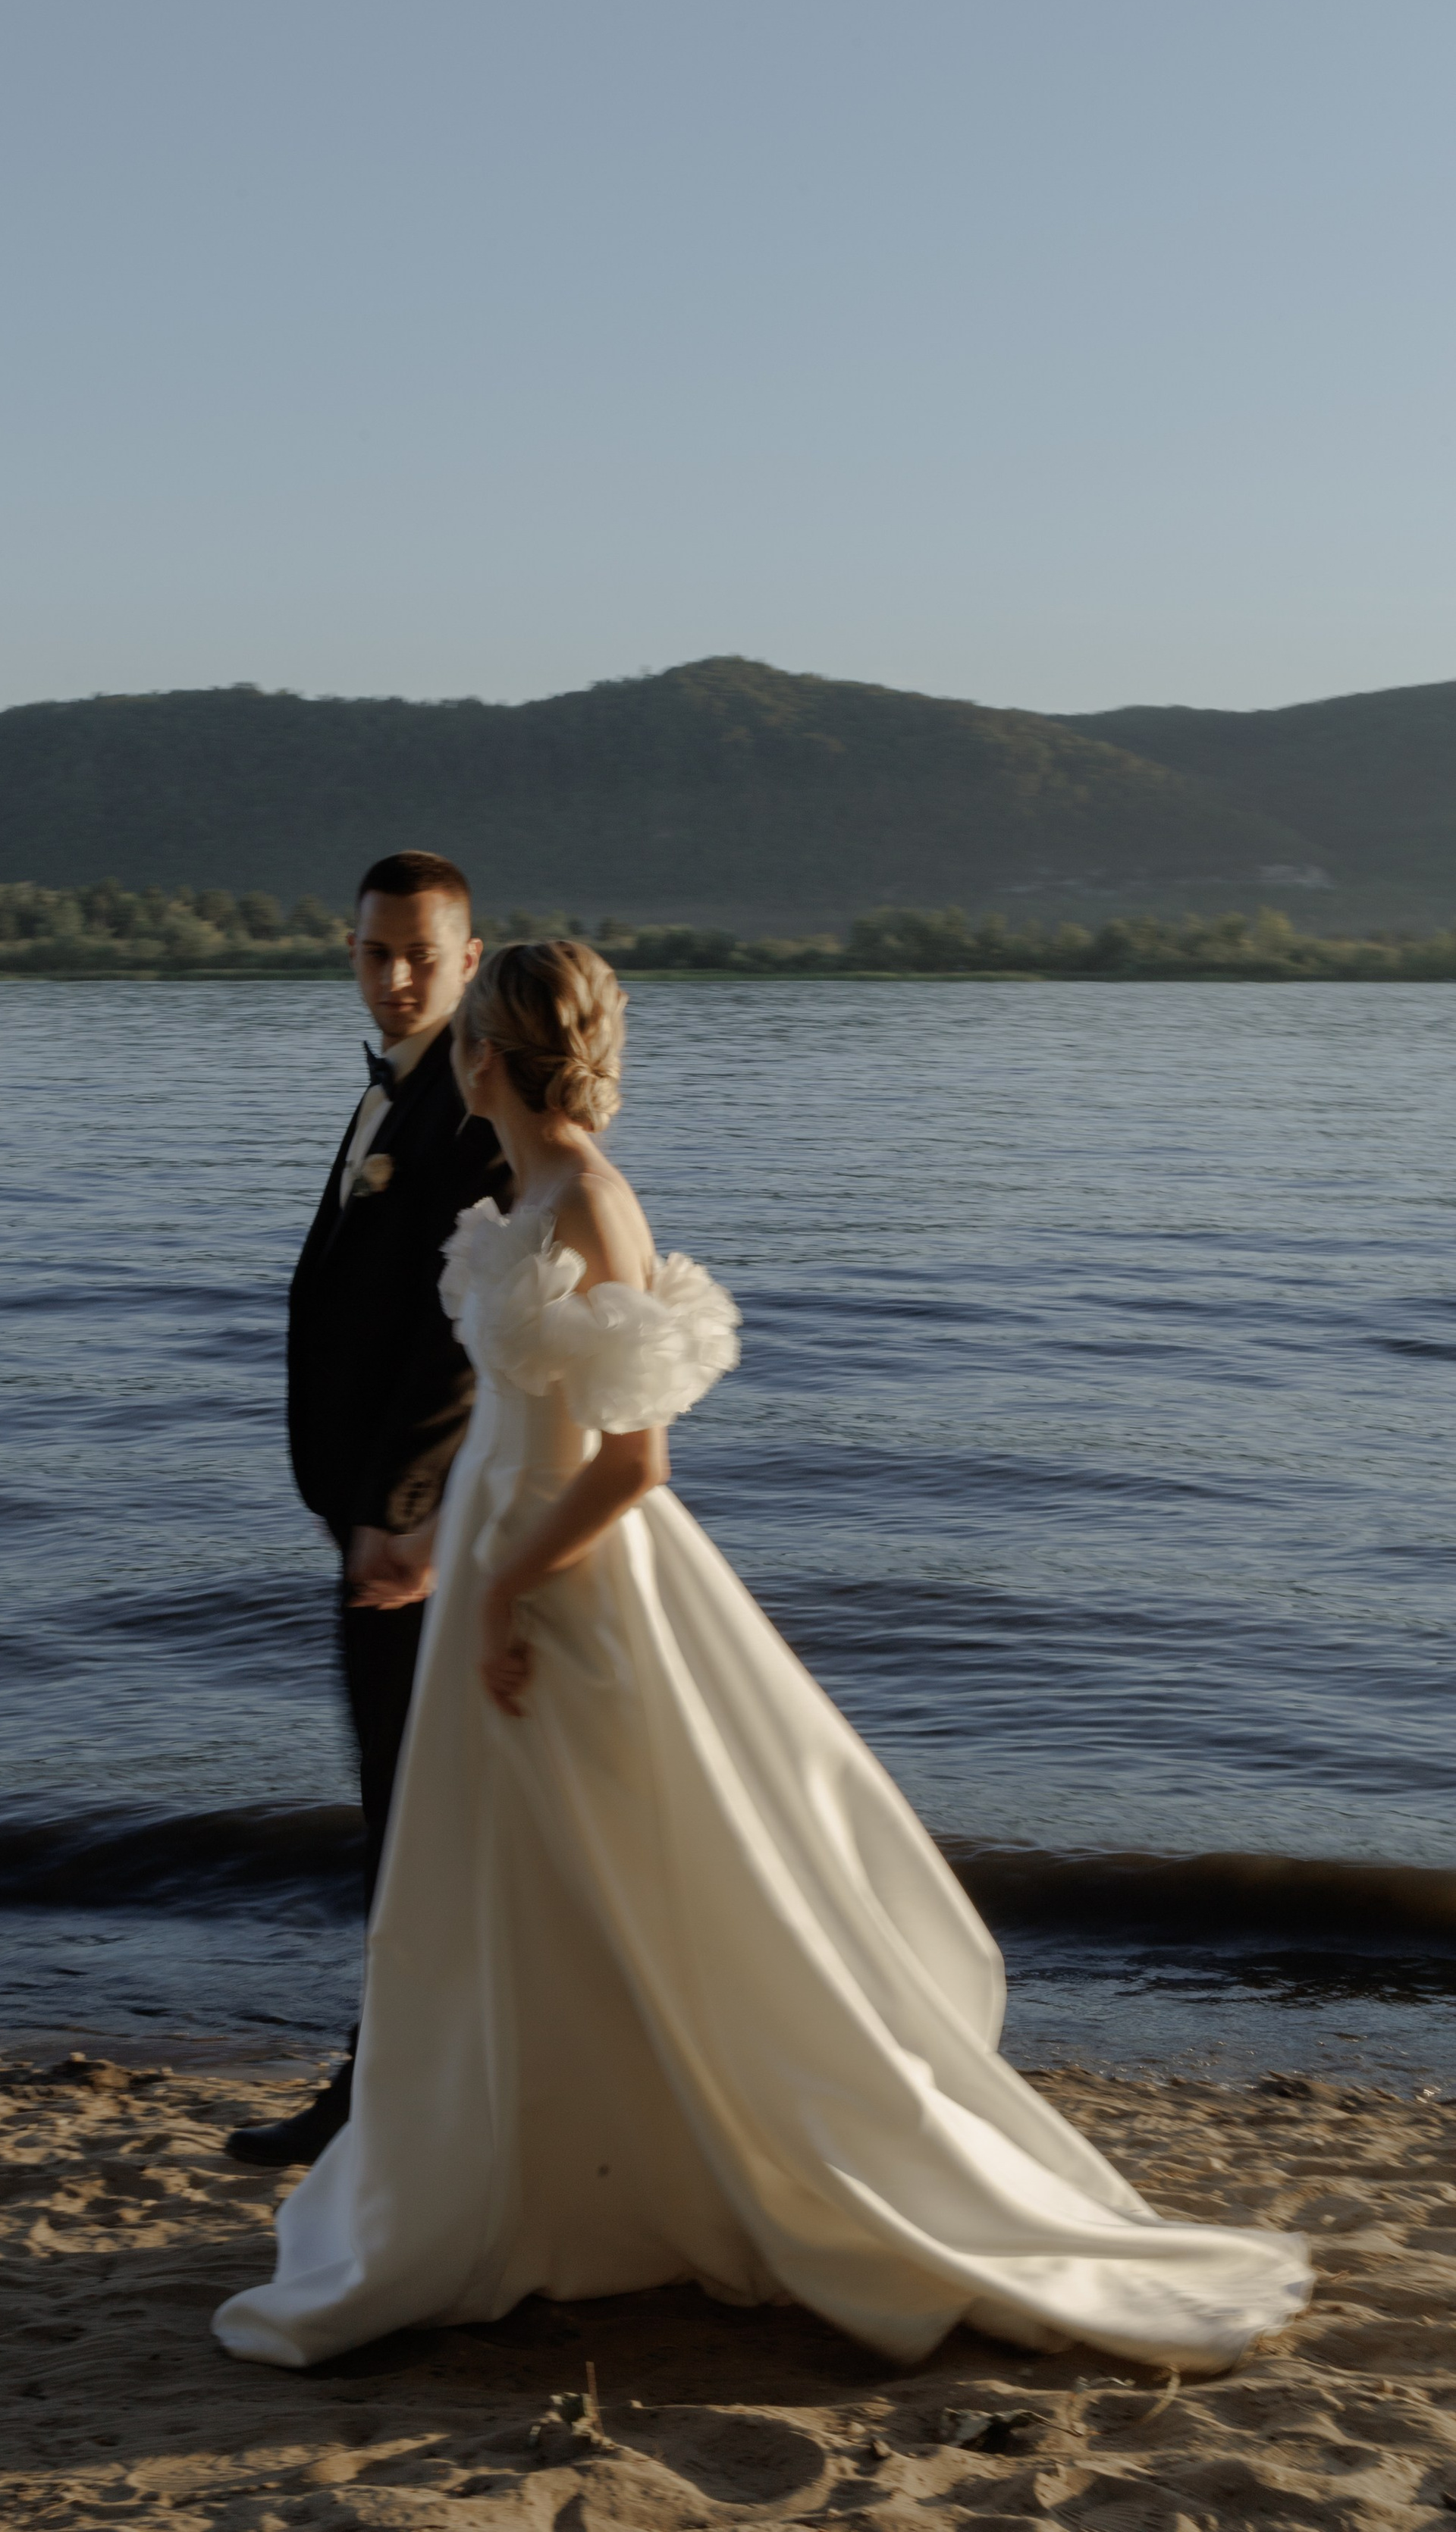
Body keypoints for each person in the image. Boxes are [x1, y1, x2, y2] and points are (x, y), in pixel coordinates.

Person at [215, 939, 1310, 2368]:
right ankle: (544, 2172)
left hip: (570, 1582)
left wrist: (499, 1595)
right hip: (490, 1552)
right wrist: (437, 1545)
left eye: (470, 1031)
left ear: (493, 1052)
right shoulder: (521, 1191)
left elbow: (634, 1468)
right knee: (519, 1887)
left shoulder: (594, 1202)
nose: (459, 1056)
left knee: (629, 1875)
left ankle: (706, 2170)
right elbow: (510, 1415)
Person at [226, 850, 508, 2170]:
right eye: (373, 952)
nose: (394, 979)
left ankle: (378, 2094)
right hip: (372, 1522)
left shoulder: (470, 1109)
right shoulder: (395, 1097)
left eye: (420, 956)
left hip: (420, 1541)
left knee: (409, 1818)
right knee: (405, 1812)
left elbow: (463, 1336)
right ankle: (402, 2080)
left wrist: (400, 1509)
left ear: (468, 958)